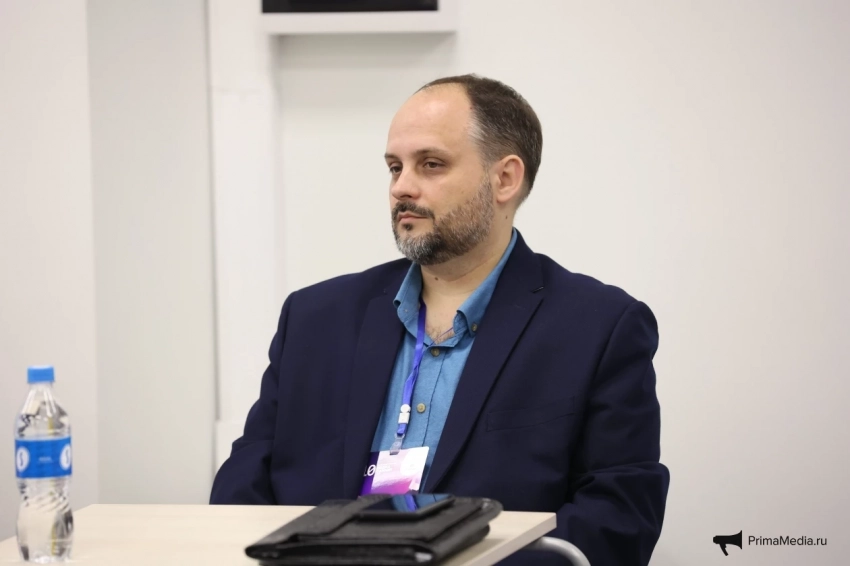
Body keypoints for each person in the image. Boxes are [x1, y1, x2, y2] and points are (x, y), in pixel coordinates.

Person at [210, 74, 669, 565]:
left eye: (431, 165)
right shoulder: (315, 319)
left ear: (505, 179)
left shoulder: (598, 327)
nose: (401, 188)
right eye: (394, 167)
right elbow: (241, 491)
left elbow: (618, 517)